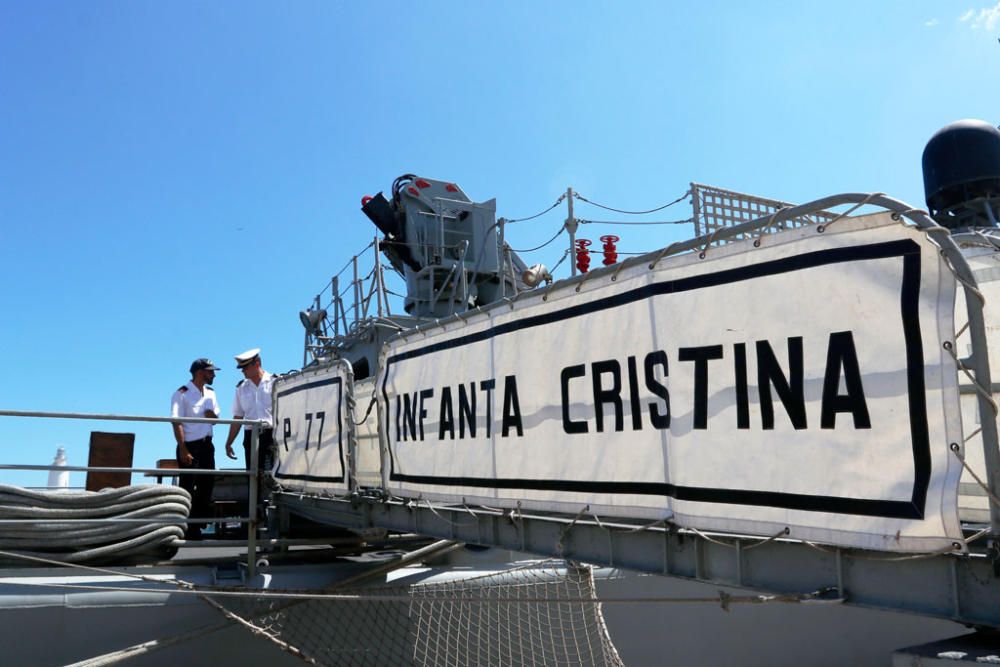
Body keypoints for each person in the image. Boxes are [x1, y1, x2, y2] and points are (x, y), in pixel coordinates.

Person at [170, 358, 220, 540]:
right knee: (188, 487)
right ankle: (186, 526)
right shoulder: (181, 394)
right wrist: (183, 449)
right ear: (200, 373)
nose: (213, 374)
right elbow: (176, 422)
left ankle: (197, 525)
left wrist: (212, 415)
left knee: (207, 485)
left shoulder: (211, 393)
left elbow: (215, 419)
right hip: (190, 445)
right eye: (210, 371)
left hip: (207, 444)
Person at [224, 348, 276, 511]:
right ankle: (255, 512)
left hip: (273, 433)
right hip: (251, 435)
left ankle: (277, 509)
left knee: (276, 474)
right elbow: (238, 417)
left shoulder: (276, 382)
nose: (243, 371)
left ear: (257, 364)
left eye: (246, 367)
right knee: (253, 476)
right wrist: (229, 442)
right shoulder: (241, 388)